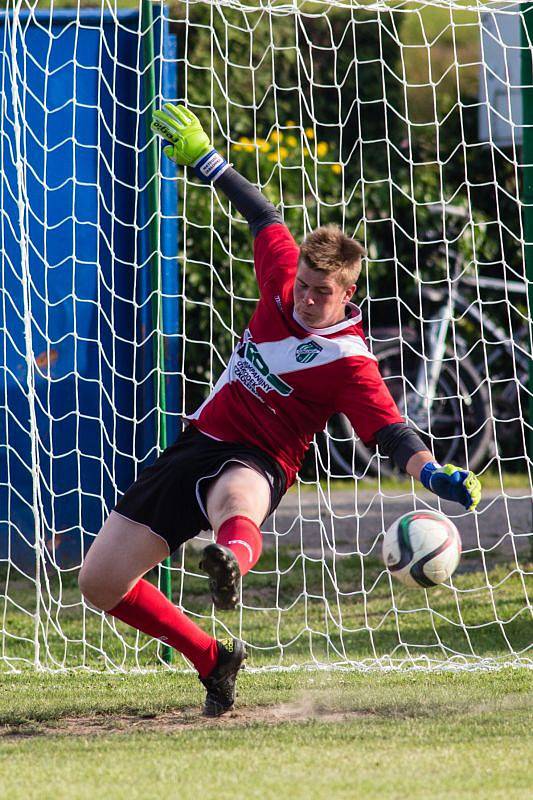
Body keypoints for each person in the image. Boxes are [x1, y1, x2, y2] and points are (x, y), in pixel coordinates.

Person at [78, 105, 482, 717]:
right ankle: (212, 658)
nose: (309, 298)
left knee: (235, 503)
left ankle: (229, 563)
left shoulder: (350, 361)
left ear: (348, 293)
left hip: (262, 459)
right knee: (99, 582)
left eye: (324, 292)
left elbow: (391, 432)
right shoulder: (280, 273)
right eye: (303, 285)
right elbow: (262, 212)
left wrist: (434, 474)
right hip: (198, 442)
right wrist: (205, 159)